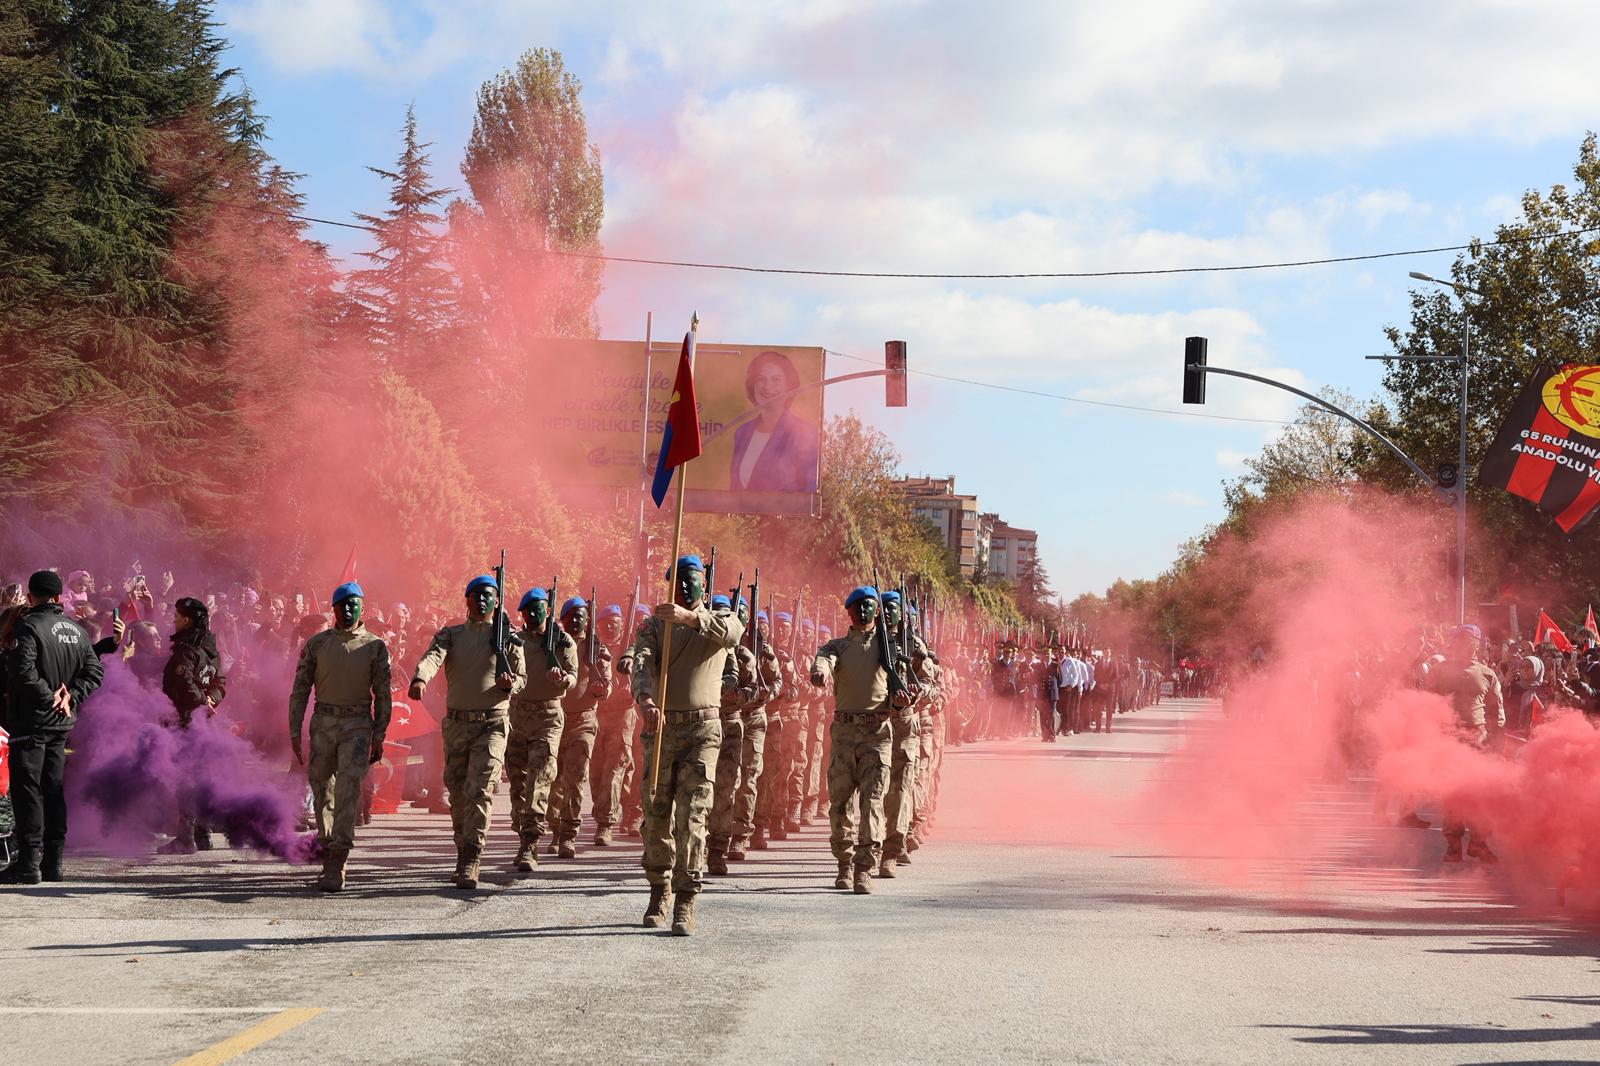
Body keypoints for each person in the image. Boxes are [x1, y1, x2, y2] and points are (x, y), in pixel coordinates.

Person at [630, 555, 743, 935]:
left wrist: (690, 618)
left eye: (691, 580)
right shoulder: (654, 625)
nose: (683, 586)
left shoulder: (720, 620)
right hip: (661, 729)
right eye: (677, 580)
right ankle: (658, 890)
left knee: (693, 817)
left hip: (703, 733)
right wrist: (646, 700)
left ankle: (686, 899)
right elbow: (641, 662)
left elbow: (734, 635)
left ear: (704, 587)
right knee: (657, 815)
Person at [408, 575, 527, 889]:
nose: (482, 601)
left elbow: (522, 677)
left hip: (493, 723)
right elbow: (433, 657)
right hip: (458, 724)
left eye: (489, 595)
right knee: (458, 793)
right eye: (476, 595)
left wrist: (510, 684)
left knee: (479, 790)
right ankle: (463, 847)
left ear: (497, 601)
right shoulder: (452, 635)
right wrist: (421, 678)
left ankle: (472, 857)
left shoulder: (509, 639)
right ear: (467, 600)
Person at [288, 582, 392, 891]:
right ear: (333, 609)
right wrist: (295, 729)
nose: (348, 609)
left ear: (364, 609)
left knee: (348, 791)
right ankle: (327, 845)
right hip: (323, 724)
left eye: (354, 604)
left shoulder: (375, 647)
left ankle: (337, 860)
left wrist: (379, 733)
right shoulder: (317, 644)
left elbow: (383, 695)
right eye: (342, 604)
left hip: (358, 725)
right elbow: (300, 690)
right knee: (323, 792)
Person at [2, 571, 104, 884]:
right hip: (60, 724)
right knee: (54, 790)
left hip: (31, 721)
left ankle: (30, 864)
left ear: (31, 597)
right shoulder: (77, 630)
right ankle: (54, 864)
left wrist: (51, 698)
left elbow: (23, 673)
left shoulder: (28, 627)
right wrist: (70, 697)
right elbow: (95, 672)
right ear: (59, 597)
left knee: (28, 791)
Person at [812, 586, 906, 895]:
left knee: (872, 804)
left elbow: (903, 690)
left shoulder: (889, 648)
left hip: (876, 734)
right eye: (857, 608)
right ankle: (844, 864)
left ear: (877, 611)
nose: (863, 612)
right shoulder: (836, 647)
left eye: (868, 607)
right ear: (848, 613)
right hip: (843, 733)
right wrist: (820, 672)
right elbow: (822, 661)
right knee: (839, 805)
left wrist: (903, 699)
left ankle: (865, 867)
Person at [504, 587, 576, 871]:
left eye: (540, 608)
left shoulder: (561, 640)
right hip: (516, 716)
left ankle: (529, 844)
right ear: (522, 614)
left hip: (547, 716)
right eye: (528, 609)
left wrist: (562, 680)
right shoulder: (514, 641)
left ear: (548, 611)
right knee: (518, 783)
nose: (534, 614)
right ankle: (522, 826)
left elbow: (573, 675)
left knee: (540, 779)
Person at [1424, 624, 1504, 863]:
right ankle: (1453, 844)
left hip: (1478, 738)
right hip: (1449, 737)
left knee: (1480, 793)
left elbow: (1495, 709)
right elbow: (1426, 704)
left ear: (1479, 644)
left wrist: (1496, 738)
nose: (1467, 645)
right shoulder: (1439, 671)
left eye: (1472, 640)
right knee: (1453, 793)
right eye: (1462, 640)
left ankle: (1478, 843)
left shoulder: (1487, 673)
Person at [159, 596, 226, 854]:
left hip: (185, 722)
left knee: (187, 780)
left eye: (176, 617)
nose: (173, 621)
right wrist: (211, 702)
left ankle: (186, 838)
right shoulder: (211, 649)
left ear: (186, 620)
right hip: (205, 722)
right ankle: (204, 834)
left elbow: (183, 683)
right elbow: (220, 684)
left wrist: (201, 702)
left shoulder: (186, 651)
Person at [549, 596, 612, 858]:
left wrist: (601, 690)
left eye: (582, 615)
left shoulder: (596, 648)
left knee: (574, 779)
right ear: (562, 619)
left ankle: (568, 834)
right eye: (571, 615)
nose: (577, 620)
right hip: (553, 719)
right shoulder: (553, 645)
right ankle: (554, 829)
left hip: (584, 719)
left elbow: (606, 684)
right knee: (554, 778)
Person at [727, 351, 822, 494]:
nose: (767, 386)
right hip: (743, 516)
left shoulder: (805, 433)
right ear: (752, 385)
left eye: (776, 379)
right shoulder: (742, 432)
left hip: (785, 516)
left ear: (789, 386)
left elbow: (808, 494)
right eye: (761, 379)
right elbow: (734, 490)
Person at [589, 604, 636, 846]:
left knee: (614, 770)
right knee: (596, 772)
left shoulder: (632, 648)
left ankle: (605, 823)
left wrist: (634, 687)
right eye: (605, 622)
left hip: (623, 715)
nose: (609, 626)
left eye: (614, 622)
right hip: (597, 715)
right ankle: (603, 811)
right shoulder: (592, 648)